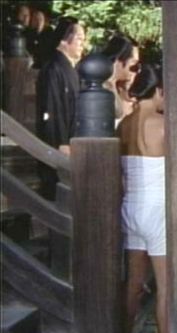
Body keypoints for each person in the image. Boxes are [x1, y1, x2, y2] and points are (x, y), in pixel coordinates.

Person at [117, 64, 168, 333]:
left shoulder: (125, 124)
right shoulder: (163, 125)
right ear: (158, 90)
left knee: (133, 286)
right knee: (165, 286)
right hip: (157, 207)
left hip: (130, 206)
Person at [35, 16, 85, 200]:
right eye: (79, 39)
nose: (83, 44)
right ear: (64, 40)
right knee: (55, 191)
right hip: (59, 142)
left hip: (70, 139)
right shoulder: (53, 68)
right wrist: (62, 142)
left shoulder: (68, 68)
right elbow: (51, 107)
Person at [101, 33, 141, 127]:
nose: (136, 70)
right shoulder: (102, 87)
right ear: (119, 60)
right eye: (133, 63)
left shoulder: (111, 85)